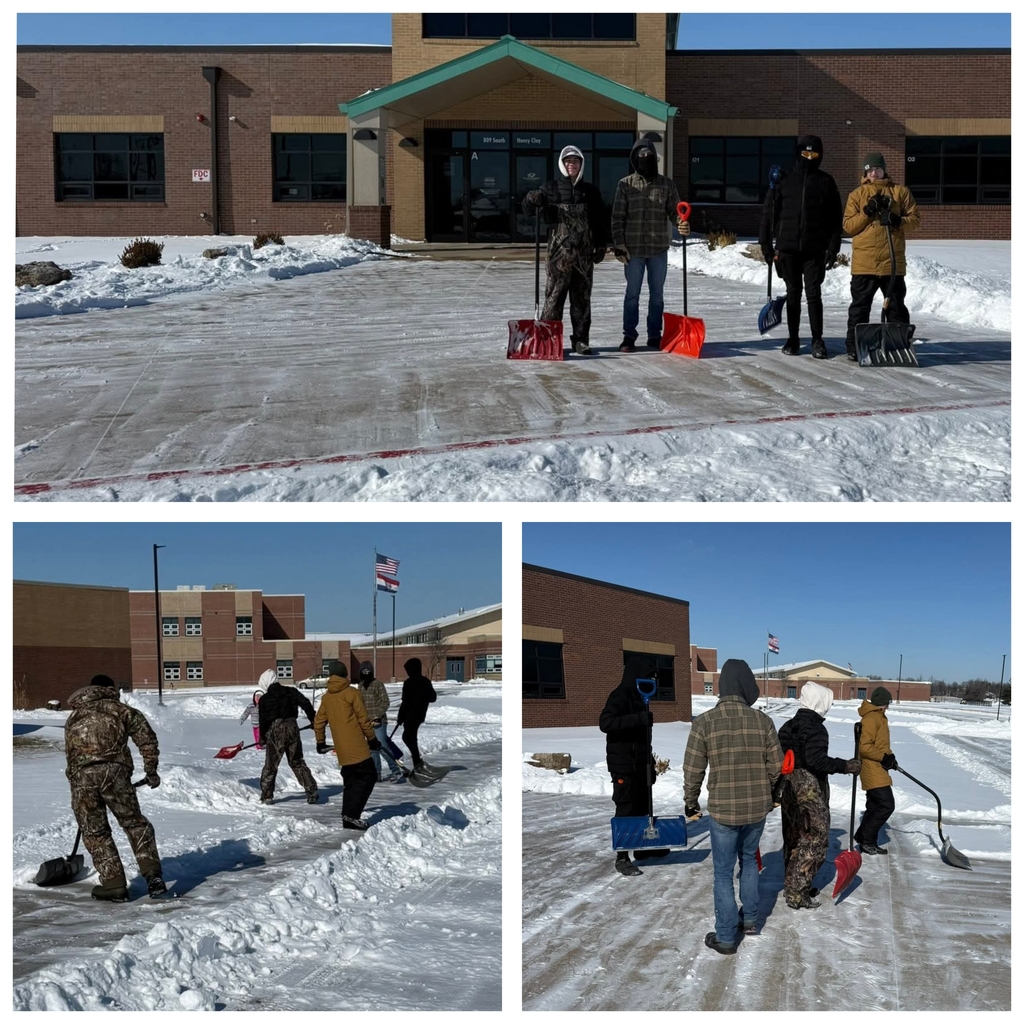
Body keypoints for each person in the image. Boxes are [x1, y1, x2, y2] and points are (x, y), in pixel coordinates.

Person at [683, 659, 783, 954]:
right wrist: (765, 788)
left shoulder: (704, 722)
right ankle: (750, 920)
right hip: (755, 810)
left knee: (724, 872)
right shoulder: (763, 721)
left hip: (724, 812)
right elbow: (777, 766)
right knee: (750, 860)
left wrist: (691, 802)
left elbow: (692, 770)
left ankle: (726, 936)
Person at [63, 674, 166, 901]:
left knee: (95, 832)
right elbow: (147, 739)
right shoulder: (121, 710)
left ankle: (113, 885)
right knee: (134, 823)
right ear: (110, 689)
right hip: (114, 774)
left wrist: (78, 785)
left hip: (81, 779)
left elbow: (71, 753)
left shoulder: (74, 716)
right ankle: (152, 874)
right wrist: (151, 771)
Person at [777, 682, 861, 910]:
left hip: (788, 789)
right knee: (816, 839)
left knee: (793, 836)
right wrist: (846, 766)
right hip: (808, 791)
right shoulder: (815, 729)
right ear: (820, 702)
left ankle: (794, 884)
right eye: (828, 701)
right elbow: (816, 761)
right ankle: (796, 892)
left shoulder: (787, 726)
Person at [758, 134, 843, 359]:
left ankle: (817, 340)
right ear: (798, 154)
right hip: (787, 250)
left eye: (813, 154)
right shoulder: (784, 181)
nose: (809, 158)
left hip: (814, 250)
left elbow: (836, 221)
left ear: (820, 156)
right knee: (793, 294)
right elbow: (768, 216)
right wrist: (767, 247)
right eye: (805, 154)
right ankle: (793, 339)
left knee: (814, 294)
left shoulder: (826, 182)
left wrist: (832, 249)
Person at [522, 145, 610, 355]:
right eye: (568, 161)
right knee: (554, 299)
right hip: (557, 258)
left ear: (582, 164)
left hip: (583, 257)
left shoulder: (590, 191)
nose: (572, 164)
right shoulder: (549, 189)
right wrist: (530, 199)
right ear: (562, 164)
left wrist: (601, 244)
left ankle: (580, 340)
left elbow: (599, 220)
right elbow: (526, 210)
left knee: (581, 301)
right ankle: (548, 340)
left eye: (576, 161)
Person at [610, 138, 690, 352]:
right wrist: (620, 244)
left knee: (657, 295)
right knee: (632, 295)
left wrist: (682, 224)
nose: (645, 161)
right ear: (635, 160)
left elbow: (675, 212)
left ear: (655, 158)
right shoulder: (625, 184)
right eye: (641, 157)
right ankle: (629, 336)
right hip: (633, 250)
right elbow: (617, 217)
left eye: (649, 157)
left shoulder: (667, 184)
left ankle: (655, 335)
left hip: (658, 250)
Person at [842, 152, 920, 361]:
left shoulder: (900, 192)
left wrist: (897, 220)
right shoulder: (856, 195)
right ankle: (854, 346)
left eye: (877, 169)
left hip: (891, 263)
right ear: (865, 173)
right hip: (864, 264)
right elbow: (848, 227)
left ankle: (899, 346)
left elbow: (915, 220)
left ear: (884, 169)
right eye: (869, 170)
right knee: (859, 308)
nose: (874, 173)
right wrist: (867, 212)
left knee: (896, 307)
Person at [598, 654, 666, 876]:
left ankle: (642, 849)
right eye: (647, 676)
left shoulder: (641, 697)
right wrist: (637, 719)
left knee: (642, 807)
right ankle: (622, 857)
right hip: (624, 766)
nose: (650, 681)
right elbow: (606, 722)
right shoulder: (620, 695)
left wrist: (651, 766)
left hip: (640, 765)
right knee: (625, 809)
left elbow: (644, 740)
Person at [314, 660, 380, 830]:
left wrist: (320, 742)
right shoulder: (352, 693)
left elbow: (319, 722)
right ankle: (352, 815)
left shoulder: (327, 698)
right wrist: (372, 739)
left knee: (351, 782)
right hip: (358, 747)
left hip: (342, 750)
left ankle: (348, 817)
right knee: (369, 777)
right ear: (344, 674)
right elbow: (364, 720)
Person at [258, 669, 318, 805]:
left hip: (275, 731)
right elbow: (306, 703)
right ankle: (311, 790)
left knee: (271, 765)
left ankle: (267, 796)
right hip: (292, 728)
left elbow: (263, 720)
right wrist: (313, 719)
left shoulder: (265, 699)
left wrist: (263, 737)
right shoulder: (291, 692)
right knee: (297, 761)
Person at [855, 686, 898, 854]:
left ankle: (864, 839)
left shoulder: (879, 717)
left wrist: (890, 758)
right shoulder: (872, 719)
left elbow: (880, 744)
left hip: (878, 767)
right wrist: (883, 758)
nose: (888, 706)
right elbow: (864, 747)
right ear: (882, 703)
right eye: (887, 703)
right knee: (886, 805)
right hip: (872, 769)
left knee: (874, 806)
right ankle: (866, 839)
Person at [357, 660, 404, 783]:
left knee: (382, 746)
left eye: (368, 672)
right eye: (364, 672)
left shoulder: (378, 684)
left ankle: (395, 771)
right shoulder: (360, 687)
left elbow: (385, 701)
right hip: (366, 723)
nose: (366, 675)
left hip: (379, 722)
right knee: (372, 749)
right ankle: (376, 774)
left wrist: (377, 716)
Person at [396, 657, 437, 771]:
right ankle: (417, 762)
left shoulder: (409, 683)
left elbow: (405, 702)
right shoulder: (425, 681)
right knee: (410, 737)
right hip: (419, 715)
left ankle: (417, 762)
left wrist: (401, 717)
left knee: (407, 737)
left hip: (411, 715)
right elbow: (432, 697)